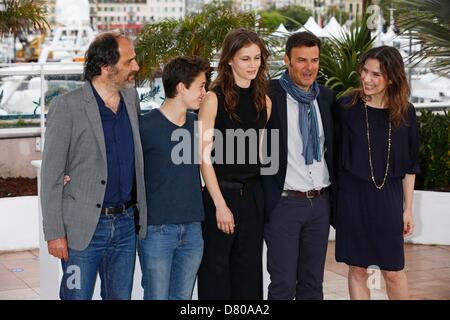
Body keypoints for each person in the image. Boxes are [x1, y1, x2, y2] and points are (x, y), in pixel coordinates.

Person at [40, 31, 147, 300]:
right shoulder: (67, 107)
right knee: (76, 297)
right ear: (105, 67)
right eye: (129, 61)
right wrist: (55, 234)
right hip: (82, 231)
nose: (136, 67)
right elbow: (51, 175)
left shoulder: (132, 99)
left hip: (125, 226)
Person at [335, 46, 419, 300]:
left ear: (392, 78)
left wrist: (407, 208)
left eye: (376, 75)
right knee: (358, 269)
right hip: (352, 197)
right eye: (365, 71)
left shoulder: (406, 112)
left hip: (389, 199)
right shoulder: (346, 107)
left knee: (393, 271)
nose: (367, 79)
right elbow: (334, 155)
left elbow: (410, 165)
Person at [197, 28, 272, 299]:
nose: (253, 65)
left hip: (253, 196)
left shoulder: (264, 101)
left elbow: (261, 156)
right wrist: (220, 205)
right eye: (245, 59)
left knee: (250, 273)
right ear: (229, 60)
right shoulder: (213, 99)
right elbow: (203, 158)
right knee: (216, 274)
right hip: (221, 194)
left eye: (257, 58)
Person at [262, 32, 337, 300]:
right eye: (301, 60)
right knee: (282, 285)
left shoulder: (327, 98)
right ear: (287, 60)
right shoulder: (268, 94)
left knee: (312, 284)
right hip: (284, 204)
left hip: (320, 203)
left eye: (314, 60)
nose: (309, 67)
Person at [138, 56, 209, 300]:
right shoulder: (144, 127)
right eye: (200, 86)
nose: (204, 92)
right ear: (181, 87)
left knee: (183, 299)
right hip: (157, 230)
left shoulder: (198, 125)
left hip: (193, 230)